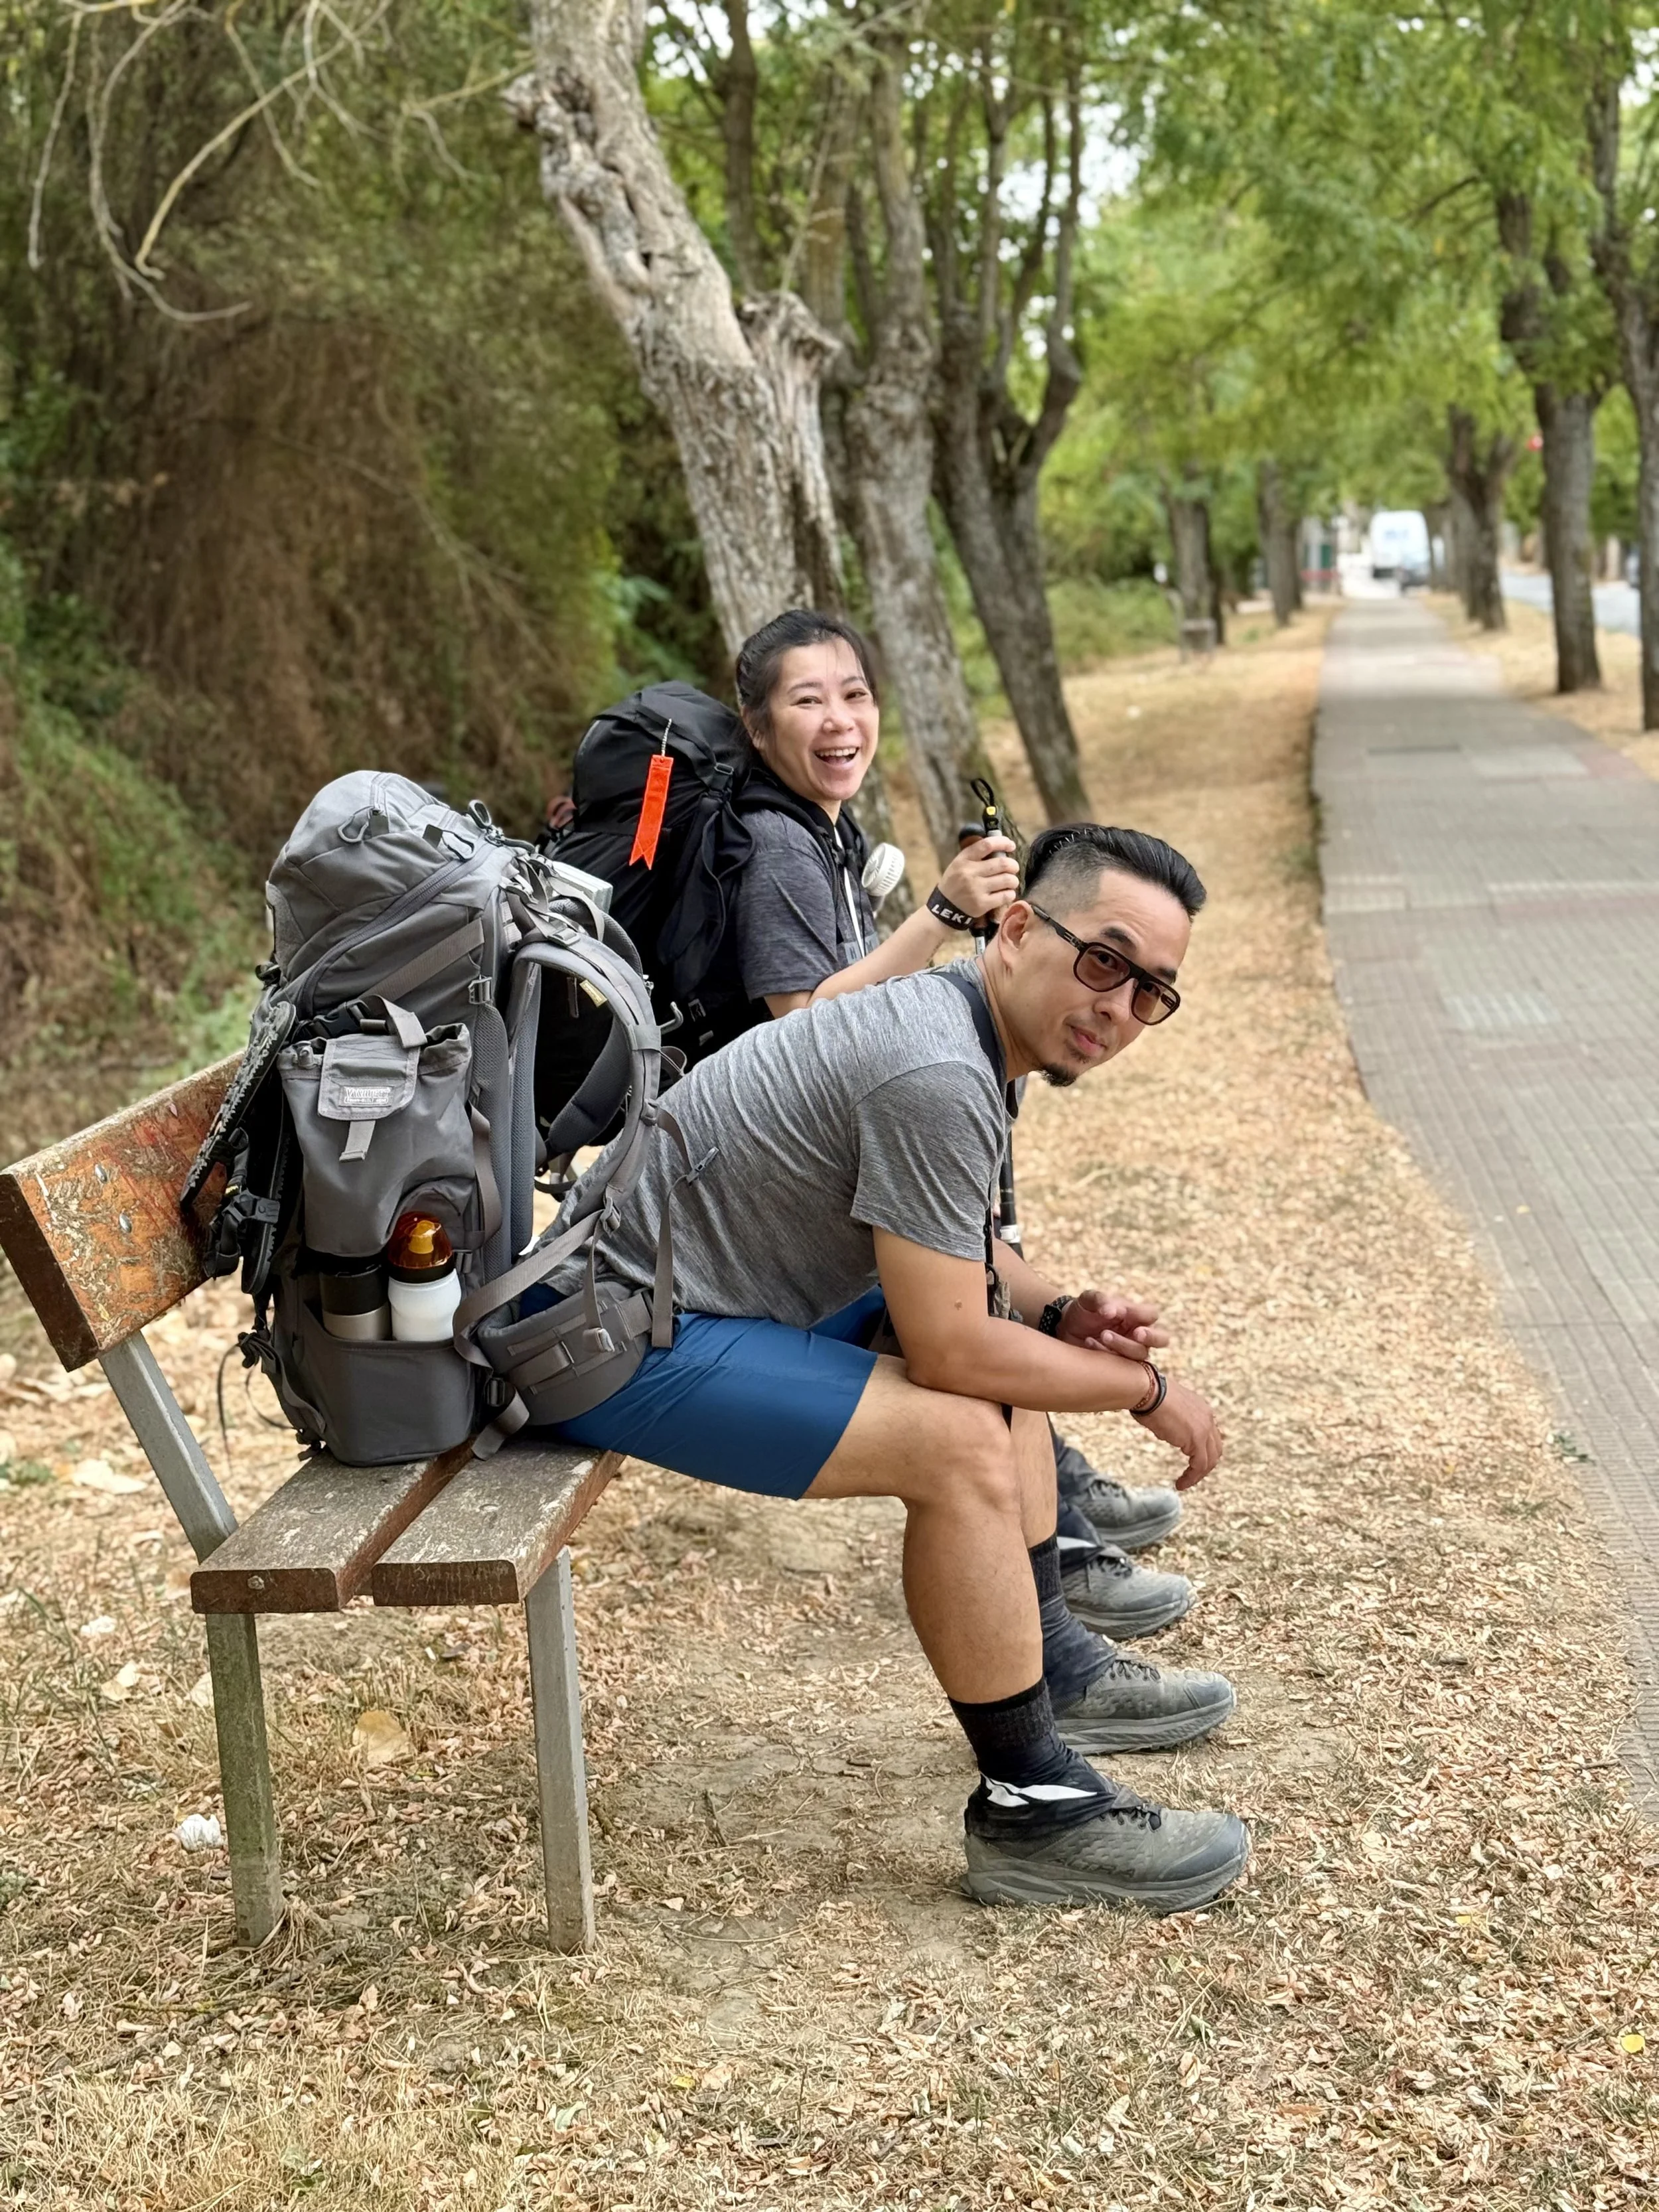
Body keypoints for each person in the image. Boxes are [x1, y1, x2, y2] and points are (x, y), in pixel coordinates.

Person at [534, 824, 1250, 1911]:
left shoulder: (966, 1031)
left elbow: (965, 1264)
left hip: (675, 1301)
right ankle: (1031, 1808)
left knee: (994, 1359)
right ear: (1015, 928)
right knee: (959, 1433)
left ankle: (1049, 1659)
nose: (1120, 1008)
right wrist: (1147, 1391)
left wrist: (1059, 1306)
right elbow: (957, 1345)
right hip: (605, 1337)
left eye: (1154, 991)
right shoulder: (934, 1068)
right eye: (1104, 961)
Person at [727, 609, 1188, 1609]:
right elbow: (801, 1022)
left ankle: (1058, 1524)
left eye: (855, 696)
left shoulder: (825, 831)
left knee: (982, 1302)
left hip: (833, 1167)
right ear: (758, 731)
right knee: (963, 1349)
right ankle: (1054, 1562)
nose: (841, 720)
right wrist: (938, 919)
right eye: (808, 701)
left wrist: (1062, 1312)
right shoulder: (774, 848)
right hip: (775, 1202)